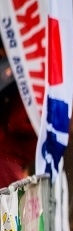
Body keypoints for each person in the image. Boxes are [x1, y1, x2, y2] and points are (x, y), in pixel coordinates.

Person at [0, 56, 37, 188]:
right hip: (7, 158)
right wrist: (38, 128)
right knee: (14, 205)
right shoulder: (24, 96)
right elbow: (15, 124)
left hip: (16, 159)